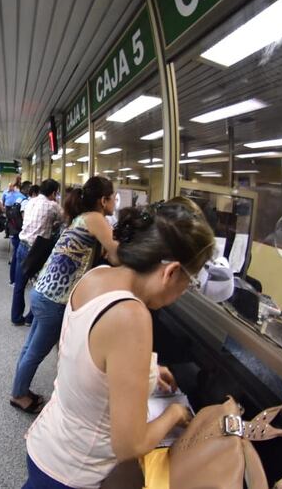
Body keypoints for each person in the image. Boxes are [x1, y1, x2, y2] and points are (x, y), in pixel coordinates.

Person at [23, 199, 214, 488]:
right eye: (190, 282)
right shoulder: (131, 315)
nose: (184, 291)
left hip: (50, 444)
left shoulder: (97, 276)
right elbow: (130, 445)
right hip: (73, 473)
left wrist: (147, 371)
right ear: (172, 271)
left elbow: (90, 358)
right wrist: (176, 413)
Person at [10, 177, 118, 413]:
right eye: (114, 197)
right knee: (36, 351)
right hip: (55, 300)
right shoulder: (97, 218)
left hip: (42, 291)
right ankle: (18, 394)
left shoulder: (81, 218)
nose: (115, 201)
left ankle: (19, 388)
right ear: (103, 200)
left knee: (29, 348)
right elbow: (117, 255)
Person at [11, 179, 62, 326]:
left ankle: (16, 317)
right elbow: (65, 218)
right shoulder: (52, 205)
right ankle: (30, 318)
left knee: (19, 285)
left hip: (22, 246)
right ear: (53, 193)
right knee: (39, 285)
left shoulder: (30, 201)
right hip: (36, 251)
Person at [7, 181, 32, 284]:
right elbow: (24, 217)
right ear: (26, 189)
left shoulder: (18, 197)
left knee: (15, 256)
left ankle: (12, 279)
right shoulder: (25, 200)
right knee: (18, 257)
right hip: (19, 231)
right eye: (30, 188)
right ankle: (15, 280)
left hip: (14, 229)